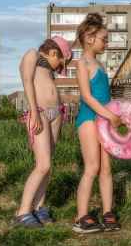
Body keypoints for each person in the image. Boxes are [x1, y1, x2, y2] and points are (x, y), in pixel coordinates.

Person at [72, 13, 123, 233]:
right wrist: (109, 115)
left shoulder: (100, 64)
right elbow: (87, 96)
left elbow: (105, 95)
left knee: (106, 169)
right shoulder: (82, 62)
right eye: (104, 38)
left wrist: (113, 114)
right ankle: (81, 217)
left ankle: (107, 212)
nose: (107, 42)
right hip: (90, 119)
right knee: (92, 167)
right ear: (90, 38)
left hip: (104, 120)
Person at [14, 36, 72, 227]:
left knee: (48, 166)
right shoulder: (32, 54)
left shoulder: (48, 68)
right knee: (43, 165)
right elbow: (27, 80)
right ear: (54, 52)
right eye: (62, 61)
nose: (61, 67)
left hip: (55, 114)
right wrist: (33, 111)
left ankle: (38, 207)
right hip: (38, 112)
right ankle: (22, 212)